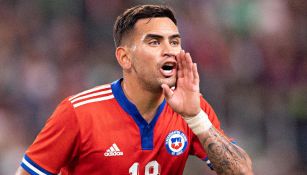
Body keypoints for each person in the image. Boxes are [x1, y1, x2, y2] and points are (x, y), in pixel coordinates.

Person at [15, 4, 253, 175]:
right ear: (125, 58)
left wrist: (195, 118)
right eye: (154, 41)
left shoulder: (193, 109)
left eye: (175, 41)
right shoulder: (78, 113)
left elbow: (243, 173)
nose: (169, 49)